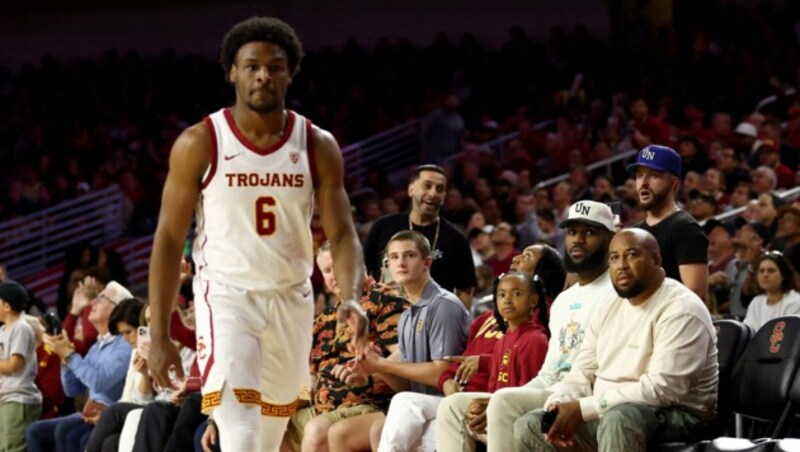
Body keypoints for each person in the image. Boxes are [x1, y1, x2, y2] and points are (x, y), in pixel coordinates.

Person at [146, 16, 368, 452]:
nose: (263, 75)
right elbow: (170, 241)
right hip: (227, 297)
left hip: (290, 298)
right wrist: (160, 335)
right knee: (241, 431)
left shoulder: (316, 144)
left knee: (266, 438)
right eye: (251, 66)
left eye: (275, 66)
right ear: (232, 71)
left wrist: (353, 295)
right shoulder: (200, 142)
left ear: (290, 72)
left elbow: (343, 235)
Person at [514, 229, 718, 451]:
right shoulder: (608, 305)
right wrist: (560, 402)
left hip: (679, 414)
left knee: (619, 419)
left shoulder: (681, 308)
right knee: (531, 424)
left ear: (657, 260)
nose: (621, 265)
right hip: (610, 408)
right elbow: (583, 369)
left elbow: (662, 390)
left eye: (631, 255)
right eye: (614, 257)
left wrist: (585, 408)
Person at [445, 200, 617, 452]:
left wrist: (503, 401)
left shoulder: (617, 291)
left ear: (610, 238)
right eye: (572, 232)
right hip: (552, 388)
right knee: (453, 406)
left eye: (589, 232)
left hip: (586, 392)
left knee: (502, 401)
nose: (578, 240)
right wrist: (497, 400)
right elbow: (548, 373)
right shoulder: (564, 300)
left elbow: (600, 368)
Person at [376, 244, 565, 452]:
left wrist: (484, 363)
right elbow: (457, 360)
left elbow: (530, 381)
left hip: (488, 403)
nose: (515, 259)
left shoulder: (546, 319)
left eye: (526, 257)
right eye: (502, 295)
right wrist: (446, 380)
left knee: (407, 410)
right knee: (408, 418)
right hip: (460, 399)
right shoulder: (487, 319)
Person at [335, 230, 471, 451]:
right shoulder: (407, 316)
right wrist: (373, 367)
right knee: (346, 432)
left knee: (394, 415)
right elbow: (407, 385)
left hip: (452, 405)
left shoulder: (444, 305)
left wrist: (383, 364)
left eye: (409, 255)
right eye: (394, 257)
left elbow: (442, 373)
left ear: (427, 262)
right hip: (422, 407)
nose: (401, 263)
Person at [300, 242, 408, 452]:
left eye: (338, 266)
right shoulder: (323, 320)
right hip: (322, 407)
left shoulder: (384, 300)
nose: (333, 275)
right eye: (327, 270)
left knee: (316, 431)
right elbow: (312, 378)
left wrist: (369, 370)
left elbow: (402, 356)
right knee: (271, 422)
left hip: (370, 403)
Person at [27, 281, 134, 452]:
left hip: (111, 414)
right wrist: (65, 360)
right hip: (89, 413)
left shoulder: (124, 345)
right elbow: (72, 390)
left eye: (101, 298)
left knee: (70, 434)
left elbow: (99, 382)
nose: (93, 302)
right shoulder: (96, 347)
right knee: (34, 431)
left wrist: (70, 355)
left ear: (116, 309)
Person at [364, 164, 477, 307]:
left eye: (439, 189)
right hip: (385, 317)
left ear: (443, 197)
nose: (433, 193)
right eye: (427, 186)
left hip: (434, 321)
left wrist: (457, 324)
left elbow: (465, 290)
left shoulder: (456, 239)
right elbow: (363, 272)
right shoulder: (383, 227)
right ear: (411, 189)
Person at [627, 145, 709, 299]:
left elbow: (695, 297)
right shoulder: (634, 233)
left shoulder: (685, 228)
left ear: (673, 183)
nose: (643, 183)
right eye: (639, 175)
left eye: (653, 176)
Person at [0, 281, 42, 452]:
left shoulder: (21, 329)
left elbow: (13, 365)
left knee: (14, 448)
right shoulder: (4, 330)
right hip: (7, 397)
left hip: (19, 398)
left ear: (6, 306)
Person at [742, 251, 800, 331]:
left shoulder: (795, 301)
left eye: (771, 270)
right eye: (761, 271)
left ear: (783, 275)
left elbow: (789, 336)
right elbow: (749, 333)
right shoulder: (756, 302)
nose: (765, 275)